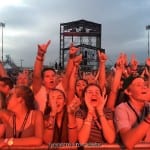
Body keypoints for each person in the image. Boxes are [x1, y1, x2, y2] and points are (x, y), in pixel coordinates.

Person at [114, 75, 150, 149]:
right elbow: (129, 142)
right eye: (138, 85)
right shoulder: (122, 108)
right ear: (128, 91)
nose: (144, 87)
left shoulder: (148, 106)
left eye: (145, 85)